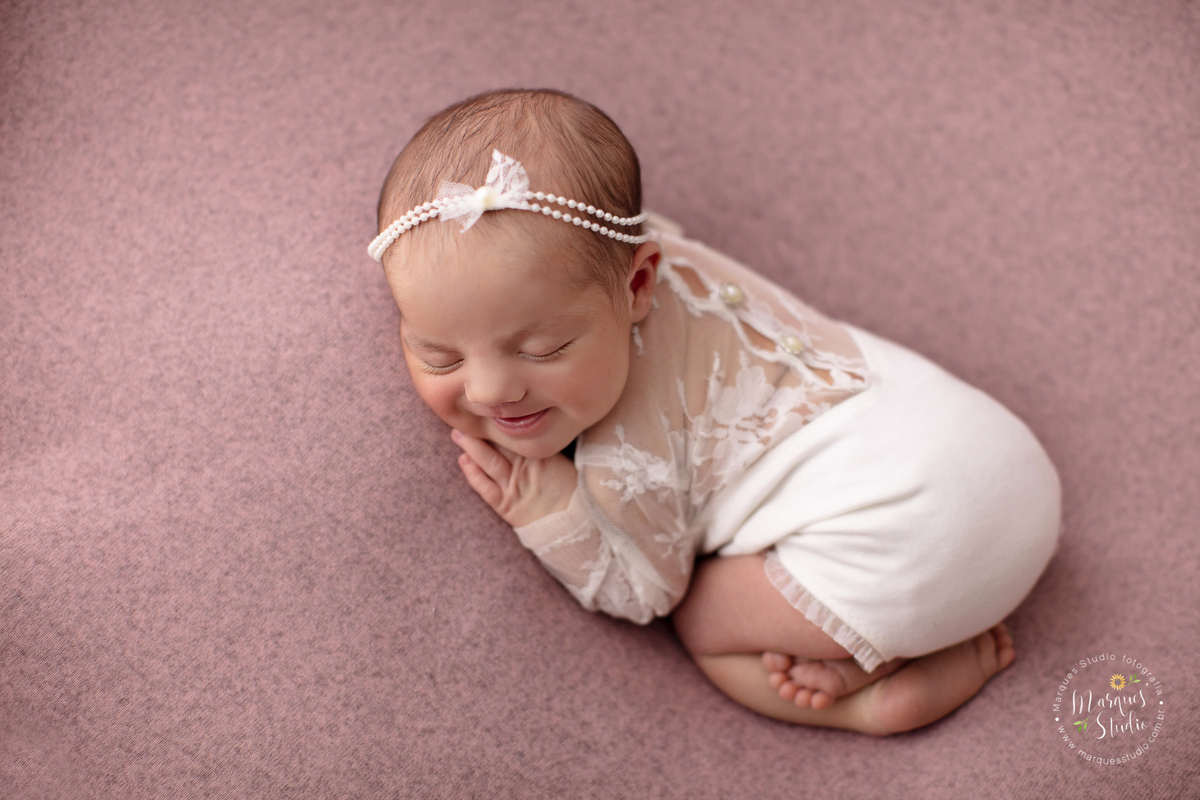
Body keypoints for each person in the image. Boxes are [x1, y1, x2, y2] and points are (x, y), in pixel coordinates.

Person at [368, 88, 1061, 735]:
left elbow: (645, 595)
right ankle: (876, 637)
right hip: (1003, 457)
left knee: (701, 621)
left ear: (640, 283)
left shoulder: (623, 458)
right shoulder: (634, 255)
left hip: (907, 546)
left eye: (542, 349)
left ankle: (876, 697)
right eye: (439, 356)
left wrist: (549, 508)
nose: (490, 391)